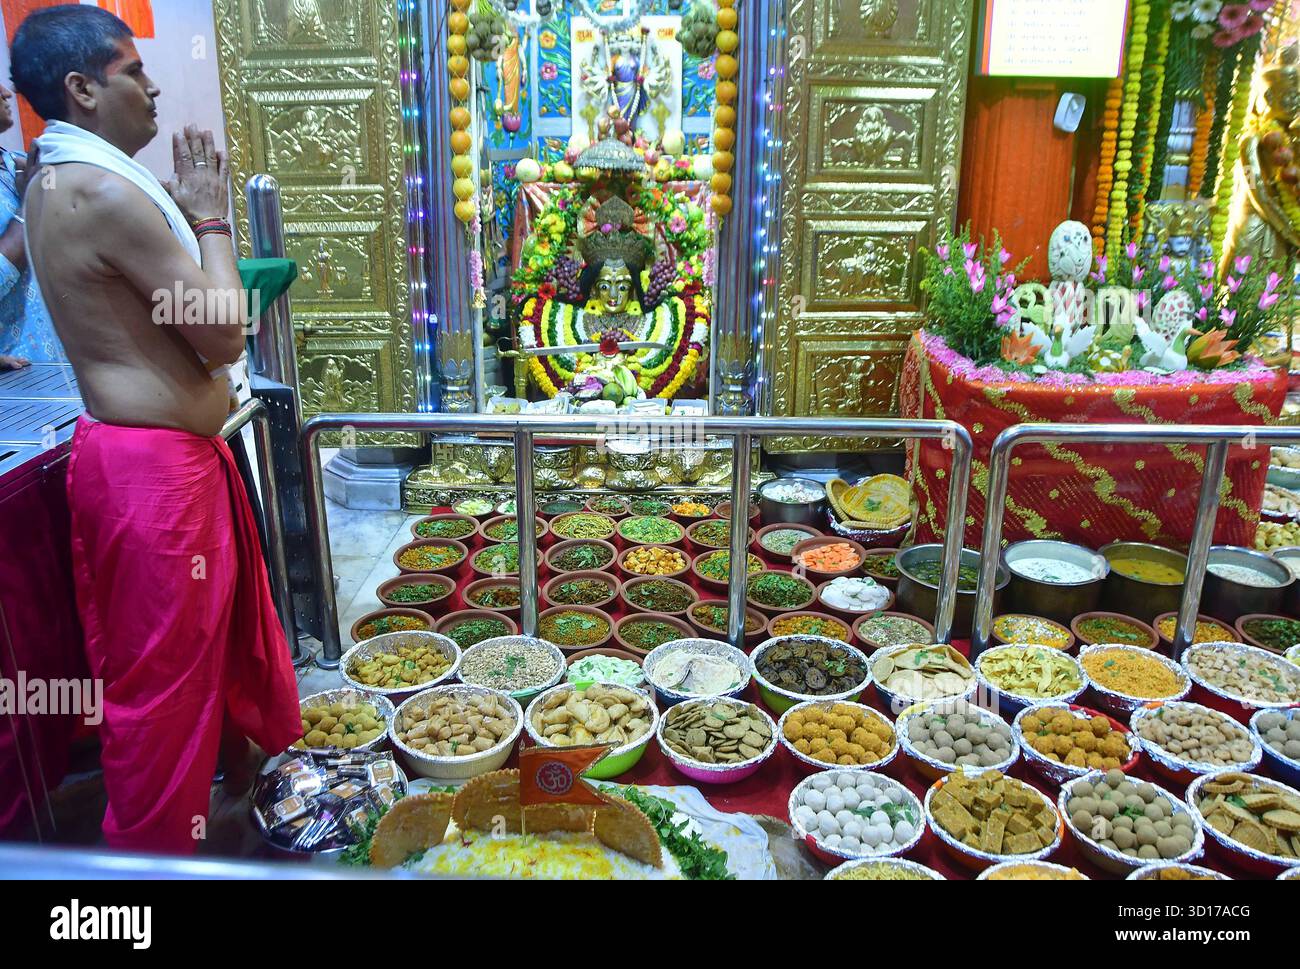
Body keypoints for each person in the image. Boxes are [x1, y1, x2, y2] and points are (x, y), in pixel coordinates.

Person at [11, 5, 299, 854]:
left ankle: (235, 819)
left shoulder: (57, 181)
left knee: (199, 665)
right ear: (82, 88)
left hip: (147, 462)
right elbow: (222, 327)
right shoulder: (98, 189)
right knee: (165, 692)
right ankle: (151, 871)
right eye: (133, 69)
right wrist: (209, 216)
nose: (154, 83)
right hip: (155, 478)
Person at [0, 81, 62, 370]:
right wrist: (27, 208)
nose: (6, 93)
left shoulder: (15, 163)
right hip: (15, 381)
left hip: (55, 364)